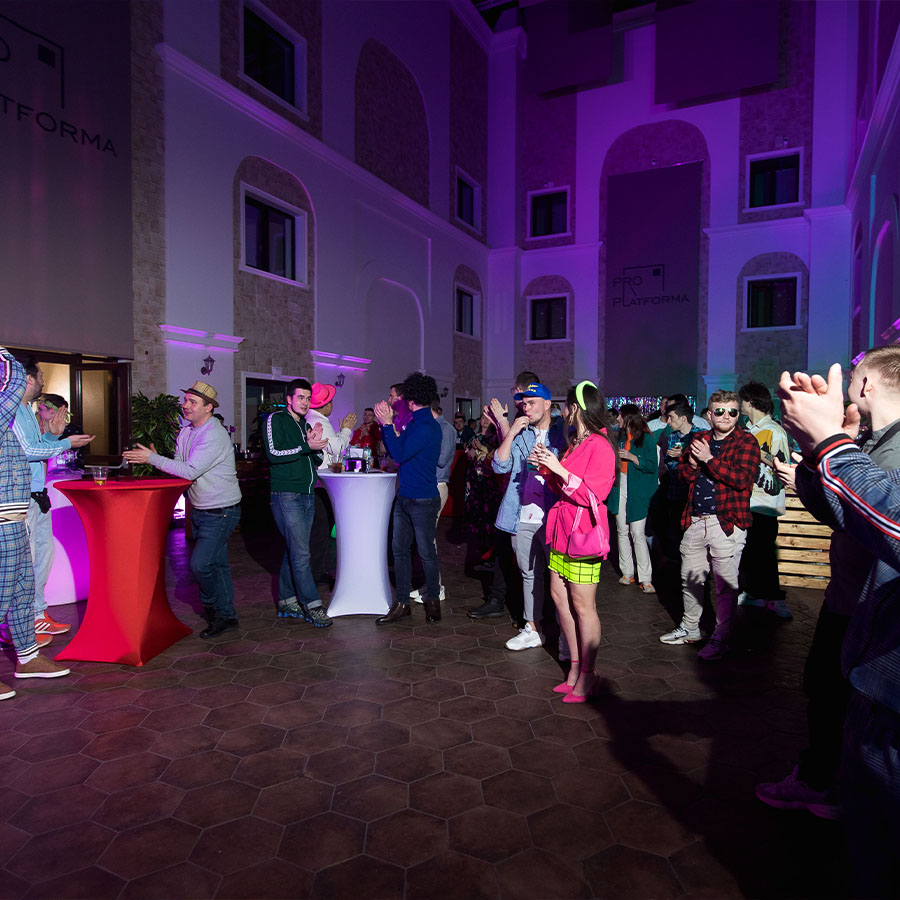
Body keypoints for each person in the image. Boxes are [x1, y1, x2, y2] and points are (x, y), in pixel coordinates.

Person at [757, 346, 900, 822]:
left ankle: (825, 783)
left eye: (855, 377)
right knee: (826, 691)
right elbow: (839, 512)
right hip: (852, 603)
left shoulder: (896, 448)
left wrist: (831, 442)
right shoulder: (876, 441)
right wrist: (814, 452)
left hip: (868, 610)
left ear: (867, 385)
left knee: (833, 696)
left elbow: (887, 521)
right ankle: (831, 783)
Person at [124, 380, 243, 639]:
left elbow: (189, 471)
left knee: (200, 565)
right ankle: (227, 616)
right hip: (201, 508)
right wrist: (158, 459)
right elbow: (181, 467)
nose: (185, 405)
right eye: (186, 400)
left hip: (222, 510)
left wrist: (152, 459)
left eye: (192, 402)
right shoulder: (186, 432)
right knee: (217, 564)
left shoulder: (214, 434)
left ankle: (214, 612)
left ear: (208, 408)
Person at [659, 390, 760, 661]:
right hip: (695, 520)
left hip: (726, 522)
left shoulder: (746, 441)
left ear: (738, 415)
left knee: (725, 586)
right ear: (709, 414)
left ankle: (722, 638)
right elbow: (683, 475)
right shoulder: (700, 439)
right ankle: (691, 628)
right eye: (720, 411)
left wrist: (708, 460)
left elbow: (742, 479)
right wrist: (692, 464)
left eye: (732, 412)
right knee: (689, 578)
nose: (726, 416)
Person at [534, 381, 617, 701]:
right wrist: (547, 469)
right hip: (562, 531)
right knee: (559, 598)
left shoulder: (600, 445)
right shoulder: (577, 443)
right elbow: (564, 487)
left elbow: (594, 495)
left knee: (583, 606)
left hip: (583, 535)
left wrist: (559, 468)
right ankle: (575, 666)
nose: (563, 411)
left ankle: (588, 673)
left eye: (566, 406)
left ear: (576, 408)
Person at [0, 348, 70, 697]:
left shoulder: (15, 415)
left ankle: (27, 659)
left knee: (23, 591)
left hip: (15, 515)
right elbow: (14, 379)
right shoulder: (4, 408)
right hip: (2, 518)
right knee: (2, 595)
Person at [12, 356, 94, 639]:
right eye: (41, 376)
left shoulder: (26, 409)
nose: (44, 381)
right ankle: (20, 622)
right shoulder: (13, 410)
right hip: (22, 498)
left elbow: (37, 448)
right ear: (29, 378)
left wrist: (52, 437)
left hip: (39, 497)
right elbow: (25, 452)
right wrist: (65, 442)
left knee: (42, 560)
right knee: (26, 562)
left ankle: (37, 614)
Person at [492, 381, 567, 650]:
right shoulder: (522, 434)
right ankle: (533, 628)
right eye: (524, 403)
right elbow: (499, 465)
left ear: (547, 404)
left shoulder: (562, 434)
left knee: (560, 578)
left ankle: (564, 634)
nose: (527, 407)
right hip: (522, 516)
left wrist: (549, 465)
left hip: (553, 517)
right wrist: (511, 431)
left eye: (532, 402)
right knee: (528, 574)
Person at [260, 379, 332, 628]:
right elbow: (273, 453)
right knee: (301, 553)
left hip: (307, 493)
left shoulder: (305, 424)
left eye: (308, 398)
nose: (305, 402)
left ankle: (286, 600)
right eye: (300, 397)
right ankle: (313, 605)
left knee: (295, 549)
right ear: (289, 399)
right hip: (286, 494)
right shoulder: (276, 420)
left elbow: (316, 459)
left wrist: (315, 445)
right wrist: (305, 445)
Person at [374, 372, 443, 625]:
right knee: (400, 552)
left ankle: (433, 601)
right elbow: (396, 448)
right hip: (406, 496)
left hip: (423, 500)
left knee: (425, 553)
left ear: (411, 400)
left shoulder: (426, 427)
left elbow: (400, 454)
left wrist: (386, 425)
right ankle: (402, 603)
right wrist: (387, 426)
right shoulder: (416, 423)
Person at [737, 381, 792, 619]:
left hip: (765, 502)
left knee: (765, 553)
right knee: (751, 552)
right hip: (748, 500)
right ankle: (753, 593)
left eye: (742, 400)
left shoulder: (773, 431)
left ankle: (774, 600)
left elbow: (782, 466)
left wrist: (758, 452)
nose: (740, 405)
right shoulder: (749, 430)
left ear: (750, 402)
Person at [306, 383, 356, 586]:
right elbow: (337, 448)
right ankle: (314, 573)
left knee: (320, 528)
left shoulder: (312, 418)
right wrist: (347, 429)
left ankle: (316, 571)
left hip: (317, 482)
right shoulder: (318, 420)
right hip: (320, 483)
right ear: (326, 405)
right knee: (321, 529)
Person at [409, 402, 457, 605]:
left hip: (436, 485)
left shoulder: (446, 429)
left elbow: (442, 459)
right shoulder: (432, 428)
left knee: (427, 539)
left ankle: (436, 589)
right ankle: (430, 585)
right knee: (423, 539)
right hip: (426, 485)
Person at [610, 404, 658, 593]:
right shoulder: (619, 437)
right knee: (622, 530)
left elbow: (651, 466)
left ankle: (646, 578)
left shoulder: (647, 438)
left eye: (620, 416)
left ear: (629, 417)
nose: (618, 419)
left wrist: (632, 457)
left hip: (638, 489)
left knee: (637, 532)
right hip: (620, 485)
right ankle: (627, 572)